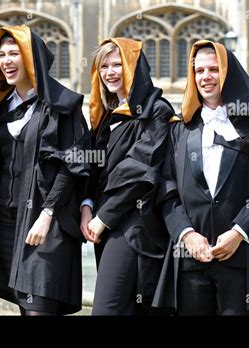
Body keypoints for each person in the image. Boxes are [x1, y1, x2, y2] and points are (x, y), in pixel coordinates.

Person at [152, 40, 249, 315]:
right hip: (190, 261)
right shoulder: (180, 129)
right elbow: (167, 188)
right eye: (199, 71)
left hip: (243, 259)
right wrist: (186, 234)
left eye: (213, 69)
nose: (205, 77)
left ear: (228, 72)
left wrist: (239, 232)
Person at [0, 25, 90, 316]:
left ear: (32, 59)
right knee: (25, 306)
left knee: (38, 309)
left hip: (48, 223)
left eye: (14, 54)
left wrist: (47, 214)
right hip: (7, 223)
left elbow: (72, 164)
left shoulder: (62, 105)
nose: (6, 61)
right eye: (2, 55)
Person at [80, 38, 174, 315]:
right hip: (105, 225)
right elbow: (95, 170)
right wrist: (86, 205)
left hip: (134, 226)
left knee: (107, 310)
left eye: (117, 64)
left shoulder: (157, 111)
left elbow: (140, 171)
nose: (110, 72)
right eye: (104, 66)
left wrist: (103, 217)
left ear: (134, 67)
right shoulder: (109, 115)